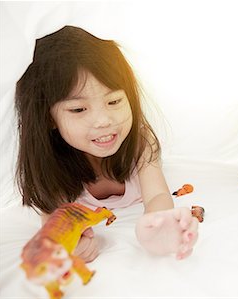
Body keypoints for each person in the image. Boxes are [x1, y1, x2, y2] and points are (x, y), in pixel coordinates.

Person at [15, 26, 198, 262]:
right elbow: (54, 222)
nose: (103, 121)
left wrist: (157, 224)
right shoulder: (49, 164)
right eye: (79, 109)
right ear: (48, 117)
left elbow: (157, 196)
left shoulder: (142, 142)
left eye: (114, 101)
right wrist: (71, 244)